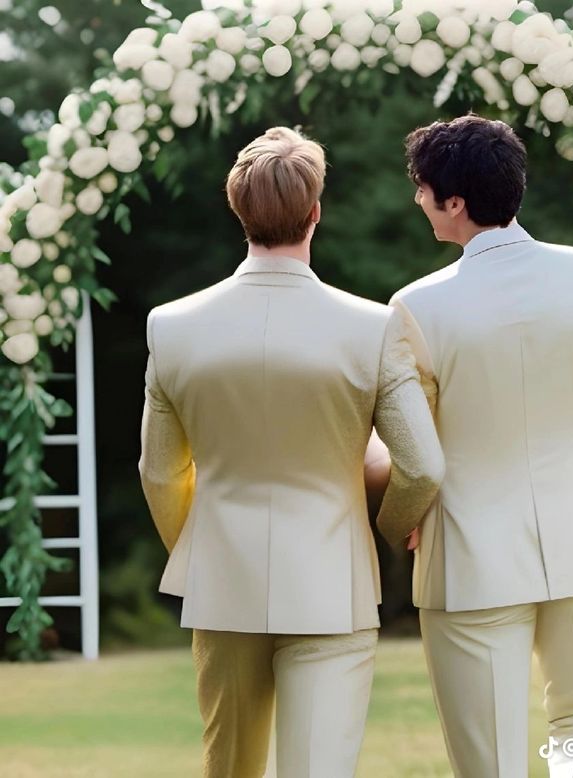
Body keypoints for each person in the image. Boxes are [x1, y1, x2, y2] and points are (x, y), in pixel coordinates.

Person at [138, 126, 445, 778]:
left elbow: (160, 472)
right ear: (315, 213)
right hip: (333, 582)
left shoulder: (171, 326)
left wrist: (199, 549)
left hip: (223, 583)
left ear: (238, 211)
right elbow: (420, 466)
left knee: (231, 768)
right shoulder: (373, 327)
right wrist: (380, 531)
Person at [386, 114, 573, 777]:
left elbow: (415, 455)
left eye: (422, 188)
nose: (418, 199)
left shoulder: (416, 307)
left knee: (490, 761)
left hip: (470, 557)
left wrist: (402, 520)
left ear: (454, 202)